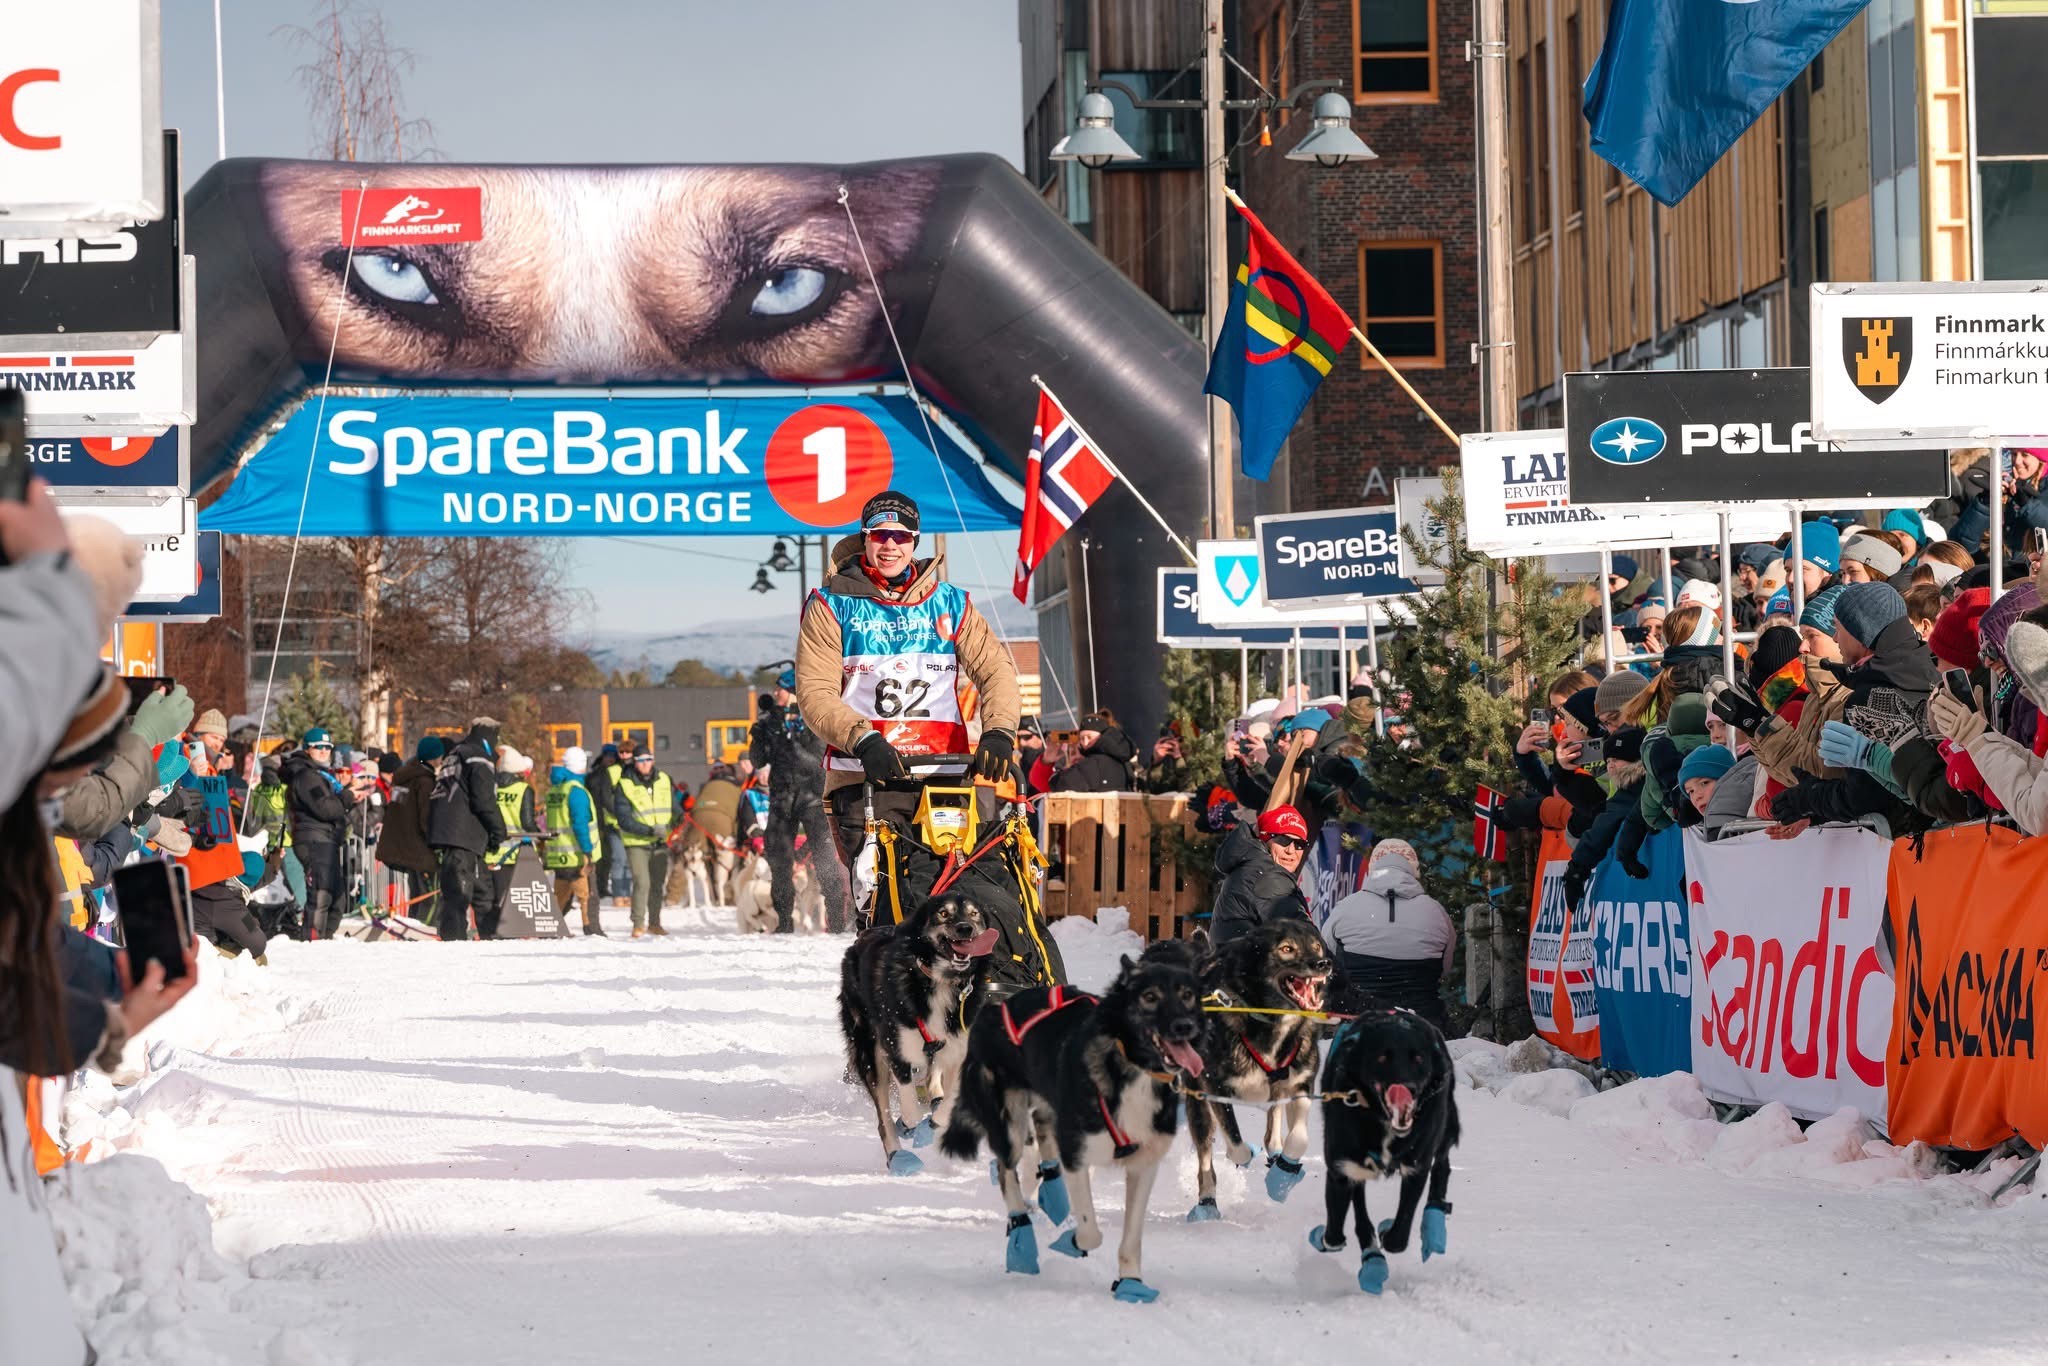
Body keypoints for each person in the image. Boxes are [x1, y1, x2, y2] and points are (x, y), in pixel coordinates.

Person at [793, 489, 1022, 884]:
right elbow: (815, 692)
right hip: (866, 772)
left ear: (914, 541)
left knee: (949, 891)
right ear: (864, 538)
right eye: (880, 535)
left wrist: (999, 731)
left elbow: (996, 670)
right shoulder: (831, 604)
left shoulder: (950, 602)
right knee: (881, 893)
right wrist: (863, 740)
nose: (890, 545)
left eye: (901, 536)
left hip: (943, 771)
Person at [1319, 838, 1454, 1031]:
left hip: (1359, 1020)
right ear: (1415, 871)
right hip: (1424, 1020)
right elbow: (1445, 969)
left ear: (1372, 869)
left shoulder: (1345, 908)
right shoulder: (1437, 912)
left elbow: (1326, 959)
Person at [750, 668, 848, 932]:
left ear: (793, 692)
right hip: (782, 799)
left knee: (826, 861)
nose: (774, 693)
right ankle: (784, 922)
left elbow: (816, 762)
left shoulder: (814, 720)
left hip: (813, 799)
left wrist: (789, 742)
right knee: (779, 861)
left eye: (779, 688)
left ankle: (837, 921)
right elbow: (758, 761)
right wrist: (759, 736)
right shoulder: (770, 723)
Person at [426, 717, 507, 942]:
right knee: (459, 894)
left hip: (454, 831)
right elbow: (484, 798)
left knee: (480, 891)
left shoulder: (456, 753)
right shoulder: (477, 756)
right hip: (463, 833)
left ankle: (490, 937)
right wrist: (498, 830)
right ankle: (455, 942)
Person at [281, 728, 355, 939]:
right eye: (318, 747)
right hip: (314, 840)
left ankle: (325, 939)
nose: (324, 751)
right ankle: (312, 942)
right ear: (307, 750)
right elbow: (326, 809)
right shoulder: (307, 776)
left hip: (327, 840)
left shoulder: (322, 775)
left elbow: (334, 808)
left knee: (337, 898)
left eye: (327, 748)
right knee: (321, 895)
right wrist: (349, 795)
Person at [1208, 805, 1312, 947]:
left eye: (1299, 844)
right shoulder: (1267, 876)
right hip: (1248, 967)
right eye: (1283, 840)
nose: (1291, 850)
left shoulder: (1254, 867)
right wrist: (1335, 967)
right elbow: (1306, 938)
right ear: (1264, 839)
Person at [376, 736, 443, 924]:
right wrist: (436, 842)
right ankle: (424, 930)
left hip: (404, 845)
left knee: (416, 893)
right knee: (429, 897)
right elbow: (426, 818)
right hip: (420, 848)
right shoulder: (424, 782)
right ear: (435, 758)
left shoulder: (403, 779)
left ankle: (412, 925)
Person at [611, 748, 675, 937]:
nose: (645, 763)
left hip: (660, 841)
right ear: (635, 762)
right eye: (640, 760)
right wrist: (649, 830)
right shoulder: (625, 784)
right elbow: (623, 818)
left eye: (648, 759)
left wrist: (677, 823)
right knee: (642, 882)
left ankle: (655, 923)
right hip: (636, 842)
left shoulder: (664, 779)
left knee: (657, 884)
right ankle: (638, 923)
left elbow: (675, 807)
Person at [483, 746, 541, 940]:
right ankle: (510, 930)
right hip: (515, 852)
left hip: (491, 850)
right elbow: (527, 822)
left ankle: (489, 931)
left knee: (492, 897)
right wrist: (541, 835)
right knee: (512, 895)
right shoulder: (523, 789)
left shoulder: (491, 787)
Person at [544, 746, 603, 935]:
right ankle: (591, 928)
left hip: (558, 854)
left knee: (560, 894)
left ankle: (551, 927)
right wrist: (588, 851)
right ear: (581, 766)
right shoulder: (577, 791)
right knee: (588, 895)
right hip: (577, 854)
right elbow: (580, 825)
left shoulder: (555, 790)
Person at [682, 761, 753, 907]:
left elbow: (695, 805)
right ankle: (725, 898)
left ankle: (673, 896)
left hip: (698, 819)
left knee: (693, 855)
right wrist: (738, 837)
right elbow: (738, 815)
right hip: (722, 821)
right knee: (724, 858)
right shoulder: (736, 789)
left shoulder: (707, 785)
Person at [1042, 712, 1139, 792]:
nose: (1085, 742)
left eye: (1089, 737)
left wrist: (1057, 772)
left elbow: (1061, 784)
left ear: (1102, 736)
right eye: (1081, 738)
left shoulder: (1093, 763)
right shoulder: (1124, 760)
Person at [585, 743, 623, 912]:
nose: (610, 758)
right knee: (595, 855)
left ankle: (601, 886)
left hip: (609, 821)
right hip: (594, 819)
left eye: (612, 756)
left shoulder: (618, 774)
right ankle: (594, 886)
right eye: (607, 755)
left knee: (607, 856)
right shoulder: (593, 776)